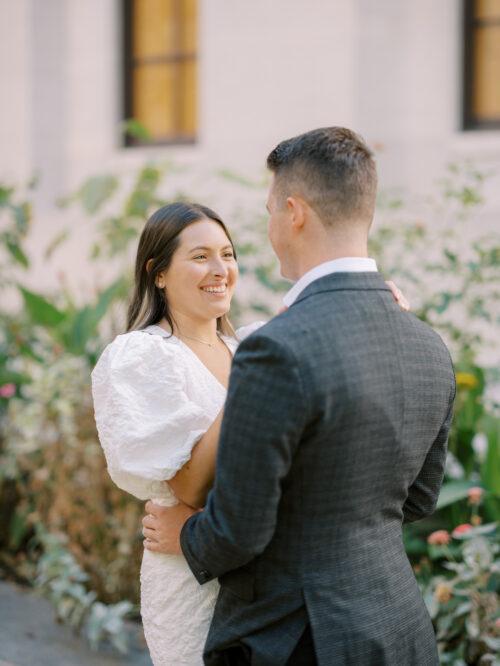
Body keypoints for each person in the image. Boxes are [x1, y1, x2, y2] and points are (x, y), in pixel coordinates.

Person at [141, 127, 455, 666]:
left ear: (295, 212)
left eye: (269, 212)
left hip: (296, 638)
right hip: (398, 627)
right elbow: (419, 499)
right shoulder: (429, 345)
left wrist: (187, 535)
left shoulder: (275, 348)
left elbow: (239, 529)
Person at [92, 196, 407, 665]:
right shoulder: (143, 356)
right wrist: (258, 371)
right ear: (157, 272)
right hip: (195, 579)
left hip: (270, 575)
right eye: (200, 257)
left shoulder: (251, 345)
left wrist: (373, 316)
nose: (220, 269)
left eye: (227, 254)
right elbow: (189, 484)